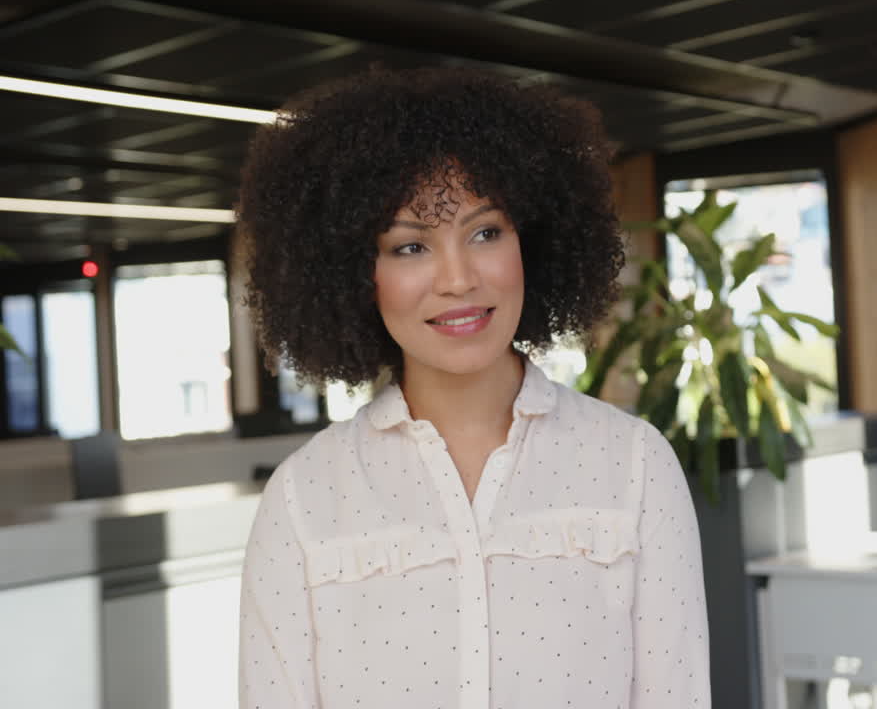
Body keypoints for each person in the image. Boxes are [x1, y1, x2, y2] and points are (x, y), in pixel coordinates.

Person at [236, 67, 710, 708]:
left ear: (532, 242)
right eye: (409, 247)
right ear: (353, 274)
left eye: (486, 233)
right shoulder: (302, 500)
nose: (458, 279)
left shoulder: (633, 465)